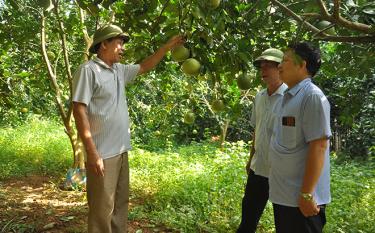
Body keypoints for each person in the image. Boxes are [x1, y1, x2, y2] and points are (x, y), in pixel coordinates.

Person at [72, 24, 184, 233]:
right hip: (102, 153)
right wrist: (92, 152)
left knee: (120, 205)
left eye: (123, 43)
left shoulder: (119, 70)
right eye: (119, 43)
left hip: (121, 151)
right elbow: (79, 109)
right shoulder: (88, 70)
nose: (123, 48)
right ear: (104, 44)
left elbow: (145, 66)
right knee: (101, 210)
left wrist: (167, 47)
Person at [268, 42, 331, 233]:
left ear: (302, 65)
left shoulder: (312, 97)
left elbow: (319, 147)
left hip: (301, 201)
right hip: (284, 197)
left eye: (285, 60)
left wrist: (306, 195)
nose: (279, 66)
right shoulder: (287, 97)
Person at [237, 48, 287, 233]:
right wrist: (251, 159)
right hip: (258, 170)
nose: (263, 70)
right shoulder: (259, 97)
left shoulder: (291, 97)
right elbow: (256, 132)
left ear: (281, 68)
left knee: (284, 222)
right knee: (247, 221)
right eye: (261, 67)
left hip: (281, 172)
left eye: (269, 66)